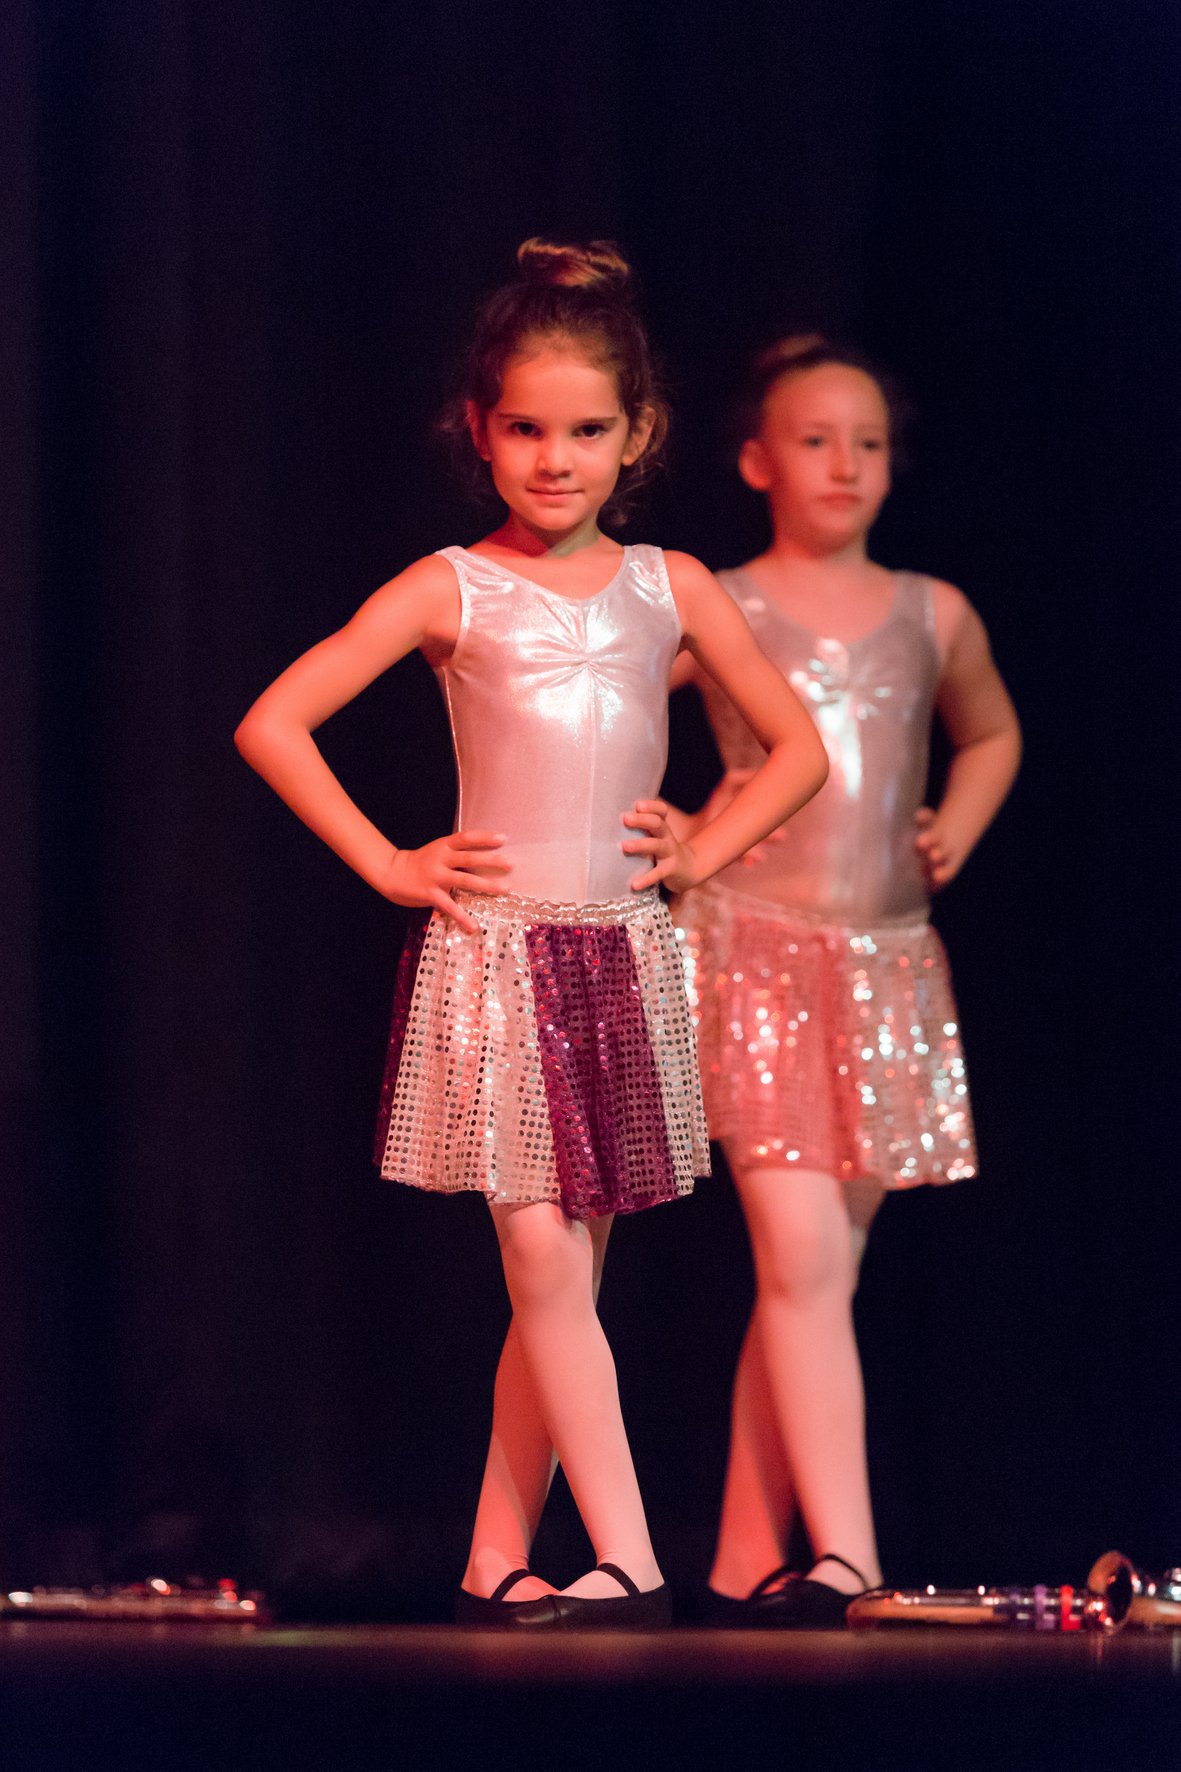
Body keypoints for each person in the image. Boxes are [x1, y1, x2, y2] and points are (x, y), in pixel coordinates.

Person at [234, 244, 828, 1630]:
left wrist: (702, 850)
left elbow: (798, 749)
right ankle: (631, 1558)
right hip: (500, 960)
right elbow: (274, 720)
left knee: (560, 1285)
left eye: (586, 430)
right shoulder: (451, 586)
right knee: (545, 1268)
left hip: (621, 955)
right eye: (525, 430)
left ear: (638, 434)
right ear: (479, 430)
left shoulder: (672, 585)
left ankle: (491, 1554)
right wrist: (388, 860)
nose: (555, 460)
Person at [671, 336, 1021, 1626]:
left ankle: (739, 1561)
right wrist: (675, 833)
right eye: (816, 440)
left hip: (884, 968)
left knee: (814, 1283)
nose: (846, 465)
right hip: (754, 953)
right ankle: (853, 1562)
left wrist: (958, 824)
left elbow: (991, 730)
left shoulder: (935, 612)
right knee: (805, 1259)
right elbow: (606, 701)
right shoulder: (723, 604)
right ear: (757, 460)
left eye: (868, 443)